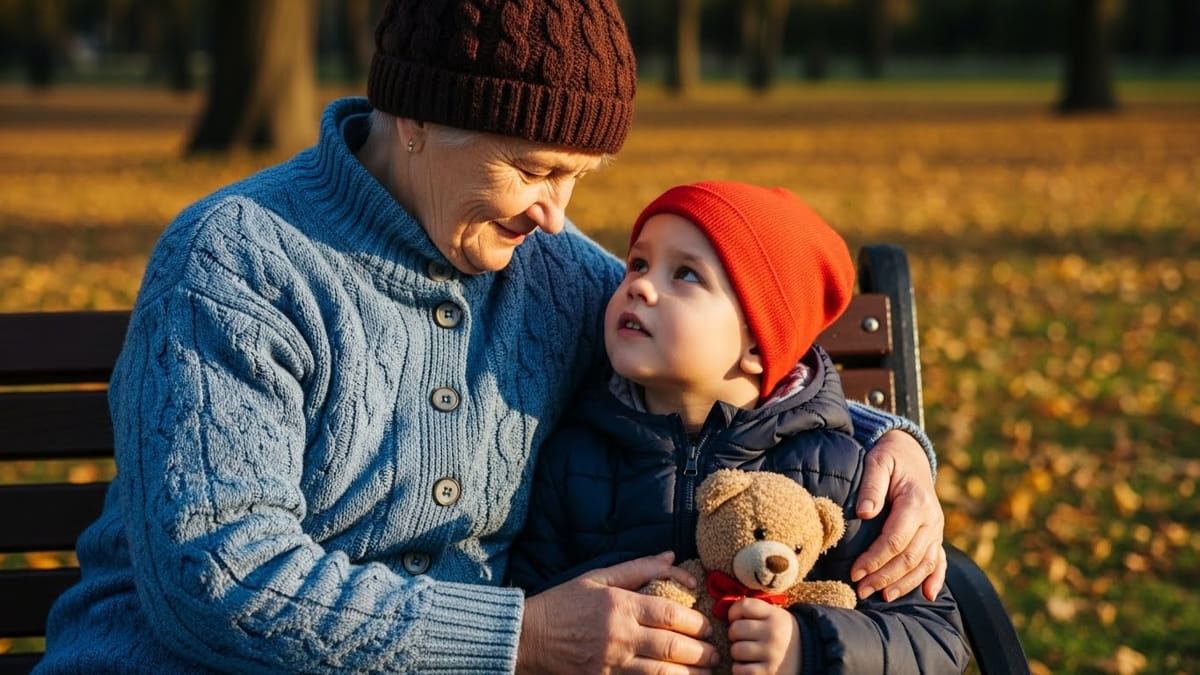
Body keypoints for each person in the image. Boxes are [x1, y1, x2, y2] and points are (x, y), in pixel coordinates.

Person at [38, 1, 945, 672]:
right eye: (532, 169)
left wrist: (895, 448)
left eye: (578, 176)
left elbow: (724, 364)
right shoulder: (239, 259)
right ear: (415, 118)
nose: (555, 214)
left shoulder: (552, 273)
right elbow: (216, 578)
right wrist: (523, 638)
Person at [507, 181, 969, 673]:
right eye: (638, 264)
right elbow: (533, 596)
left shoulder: (836, 471)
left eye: (685, 274)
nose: (639, 286)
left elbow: (937, 638)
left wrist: (809, 648)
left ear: (757, 345)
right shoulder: (576, 458)